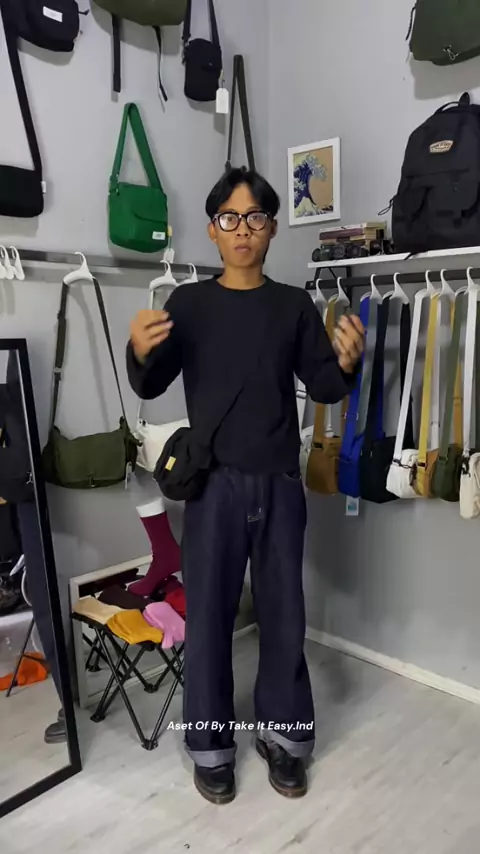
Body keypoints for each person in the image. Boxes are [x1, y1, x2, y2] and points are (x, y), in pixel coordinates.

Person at [127, 168, 364, 805]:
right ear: (213, 230)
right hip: (213, 489)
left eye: (254, 218)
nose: (242, 230)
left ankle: (285, 739)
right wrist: (139, 350)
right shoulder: (189, 305)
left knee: (285, 616)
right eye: (229, 219)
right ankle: (210, 748)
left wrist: (346, 362)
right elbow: (151, 383)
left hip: (279, 485)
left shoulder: (292, 306)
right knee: (208, 619)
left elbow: (324, 385)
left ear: (271, 229)